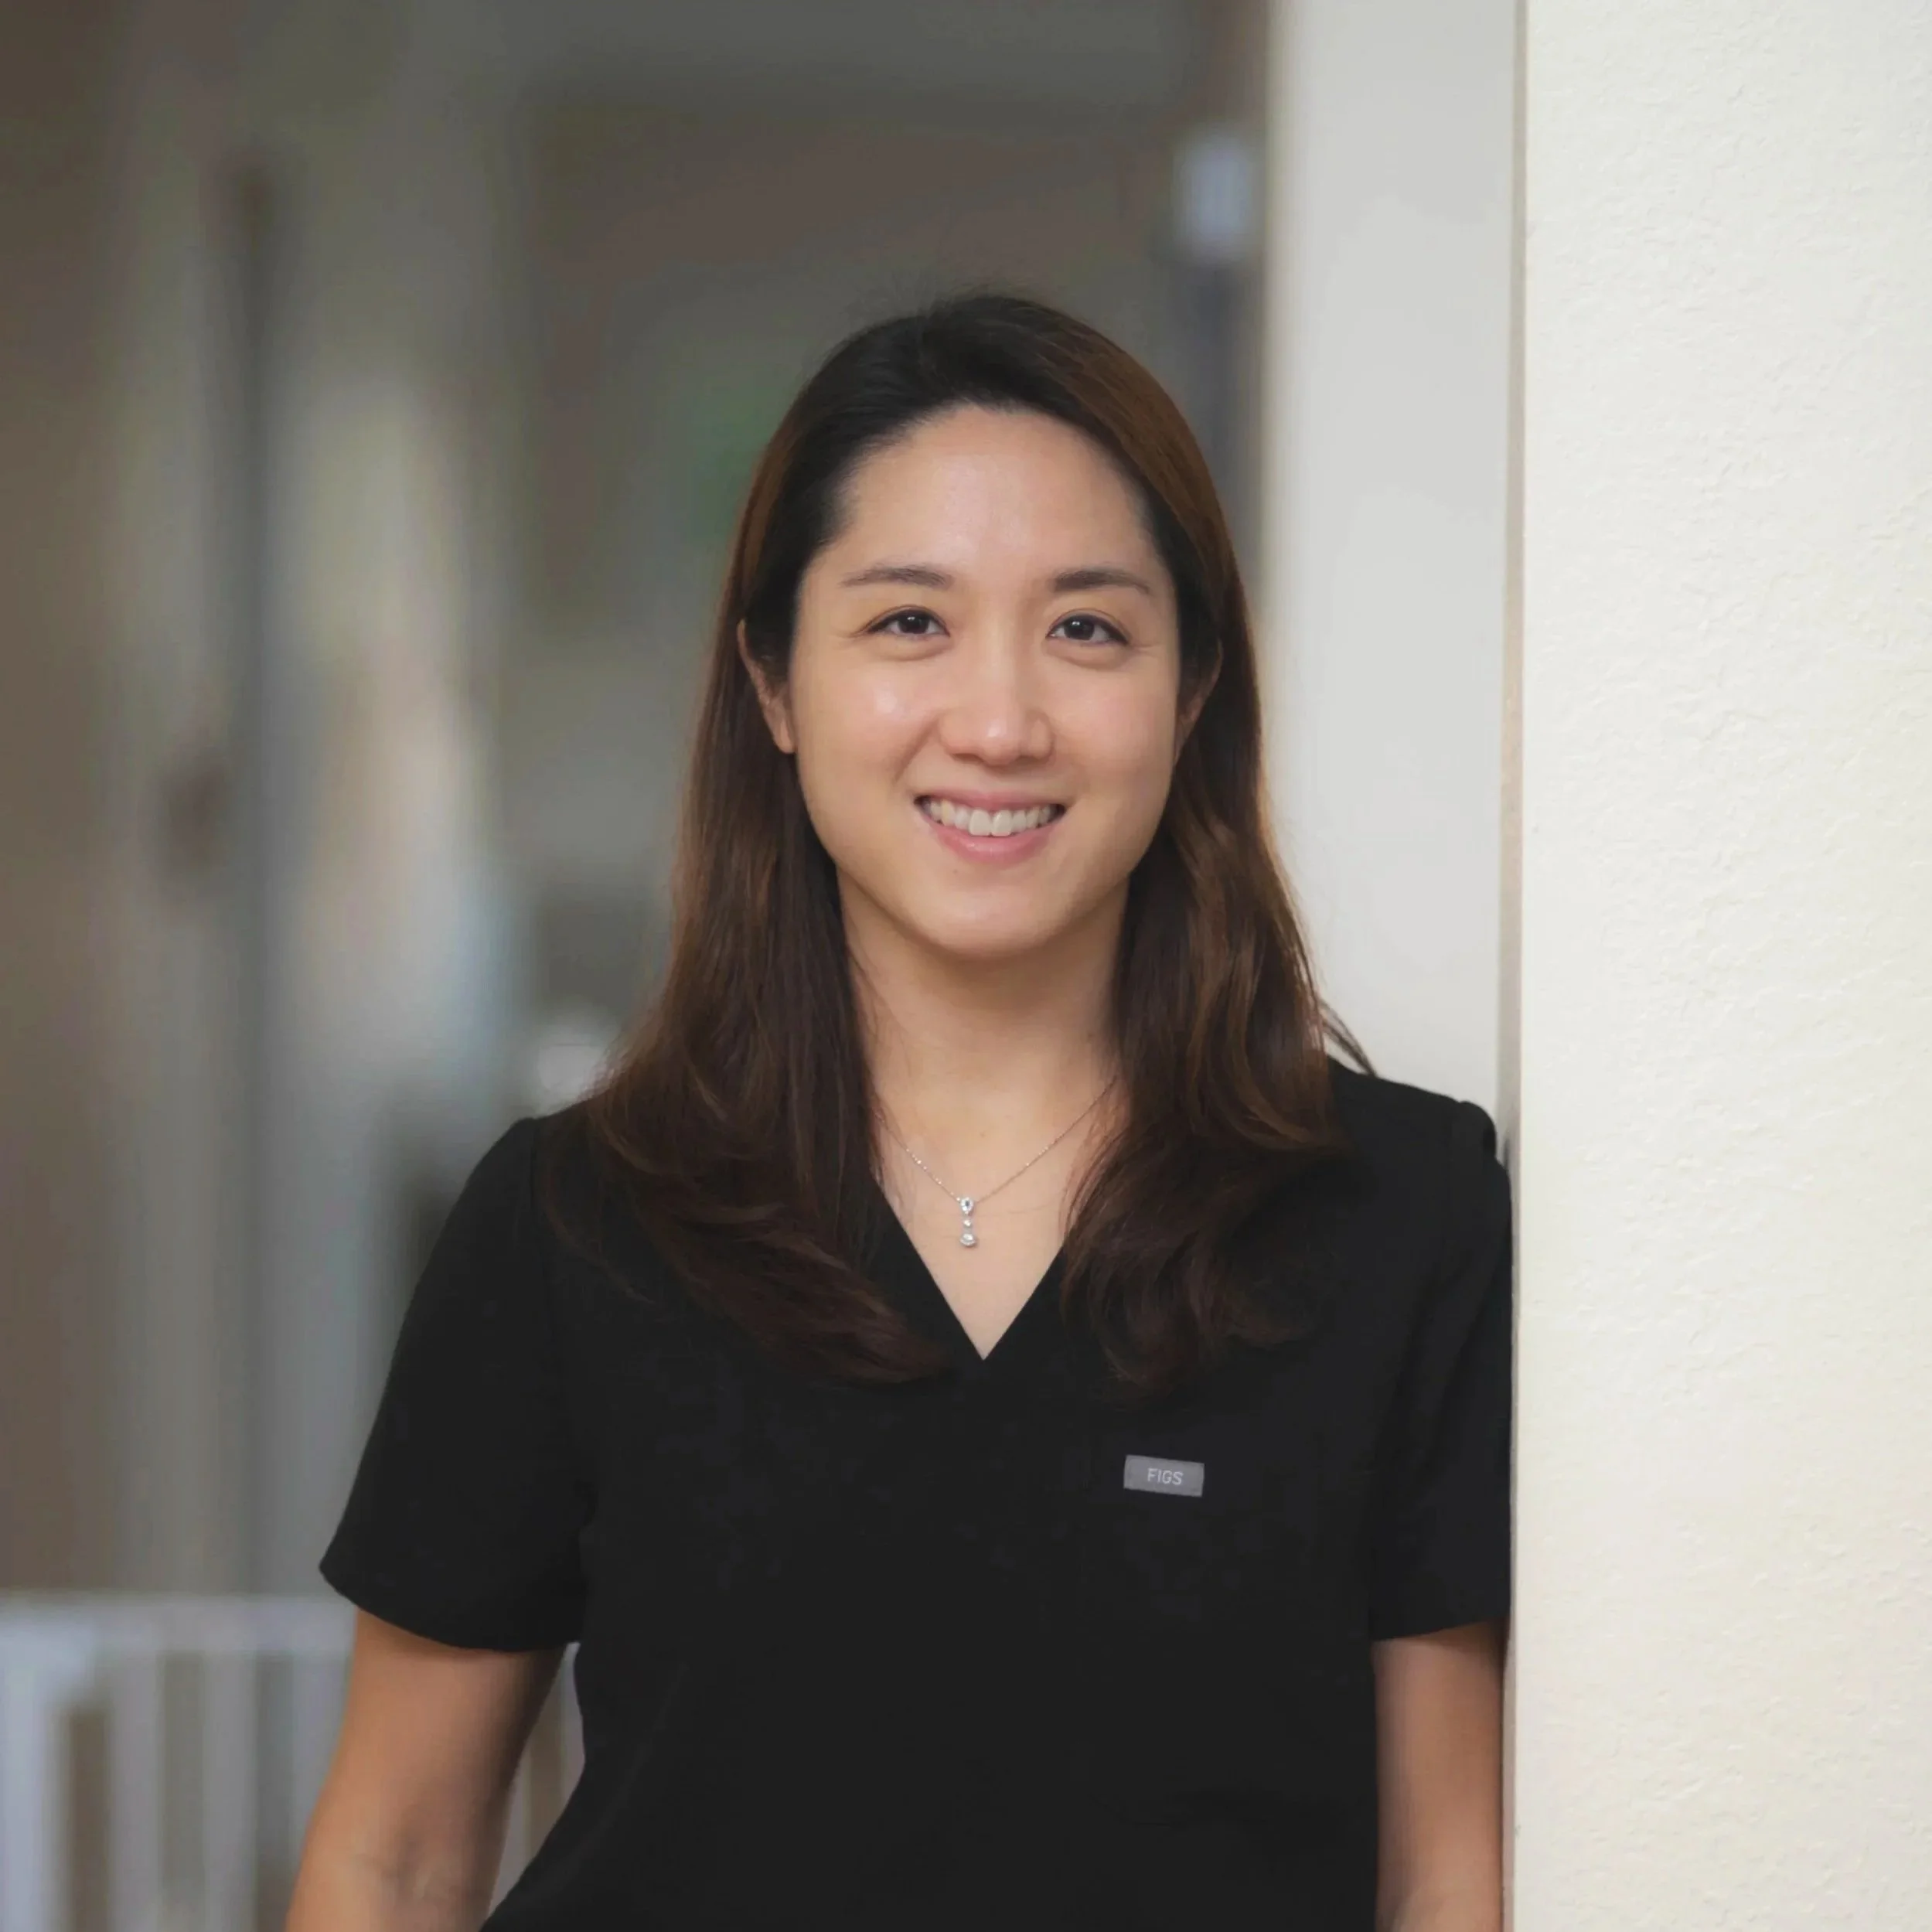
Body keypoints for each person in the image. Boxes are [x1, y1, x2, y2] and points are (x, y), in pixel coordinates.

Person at [287, 292, 1511, 1931]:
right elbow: (395, 1858)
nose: (998, 720)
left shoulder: (1401, 1214)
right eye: (907, 624)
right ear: (774, 683)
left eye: (1087, 628)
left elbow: (1445, 1878)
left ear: (1193, 687)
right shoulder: (572, 1221)